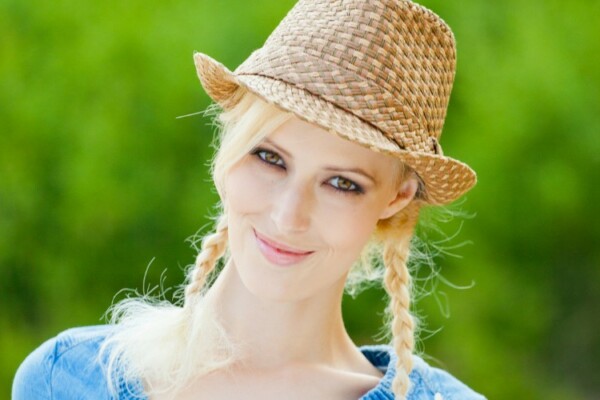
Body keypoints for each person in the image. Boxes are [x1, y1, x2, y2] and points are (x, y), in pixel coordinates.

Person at [13, 0, 486, 399]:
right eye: (269, 157)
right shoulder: (68, 379)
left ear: (397, 198)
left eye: (342, 183)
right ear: (228, 148)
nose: (288, 215)